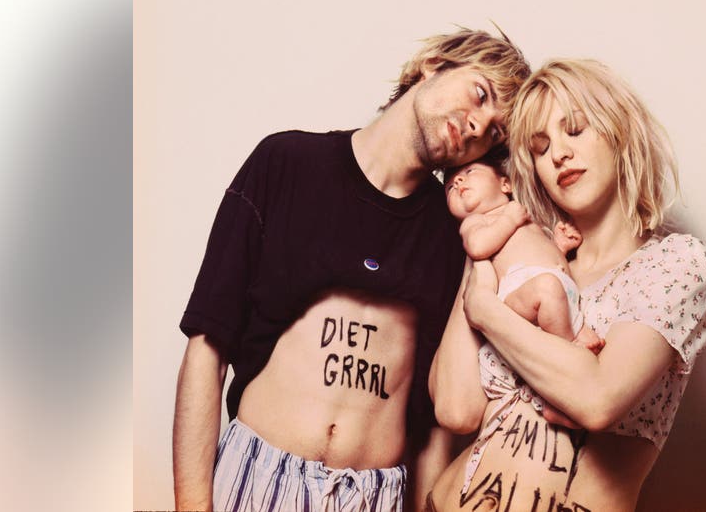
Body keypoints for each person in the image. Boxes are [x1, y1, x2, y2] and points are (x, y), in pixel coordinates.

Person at [172, 28, 530, 512]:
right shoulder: (285, 163)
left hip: (375, 496)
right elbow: (206, 347)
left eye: (491, 133)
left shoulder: (454, 237)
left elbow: (431, 423)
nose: (475, 126)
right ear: (435, 65)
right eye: (480, 94)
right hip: (258, 477)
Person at [427, 58, 706, 512]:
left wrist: (486, 311)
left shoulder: (676, 263)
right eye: (540, 149)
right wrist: (485, 250)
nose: (559, 154)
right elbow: (455, 408)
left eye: (575, 130)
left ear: (620, 132)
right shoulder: (524, 261)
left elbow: (597, 398)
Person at [442, 155, 605, 483]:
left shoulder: (530, 224)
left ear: (506, 184)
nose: (458, 183)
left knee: (554, 289)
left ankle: (569, 345)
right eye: (450, 186)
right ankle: (564, 371)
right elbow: (477, 247)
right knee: (548, 290)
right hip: (517, 294)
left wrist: (559, 246)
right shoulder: (478, 223)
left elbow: (546, 258)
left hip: (555, 288)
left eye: (469, 173)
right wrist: (510, 219)